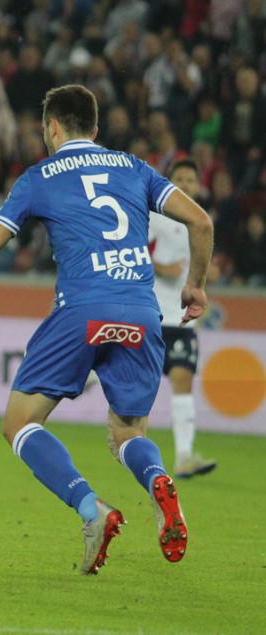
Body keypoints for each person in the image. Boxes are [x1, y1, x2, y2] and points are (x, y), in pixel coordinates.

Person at [0, 85, 213, 575]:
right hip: (142, 312)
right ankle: (159, 479)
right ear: (96, 129)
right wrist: (196, 287)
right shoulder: (134, 167)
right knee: (127, 431)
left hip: (81, 310)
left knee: (19, 423)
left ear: (52, 128)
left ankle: (92, 510)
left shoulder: (38, 177)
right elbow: (202, 223)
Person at [149, 159, 217, 479]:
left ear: (199, 185)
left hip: (182, 319)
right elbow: (129, 250)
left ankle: (184, 457)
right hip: (152, 313)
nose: (187, 184)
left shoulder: (201, 222)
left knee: (182, 380)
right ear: (169, 182)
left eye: (192, 178)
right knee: (122, 376)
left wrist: (207, 273)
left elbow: (202, 266)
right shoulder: (155, 218)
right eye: (181, 178)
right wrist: (160, 268)